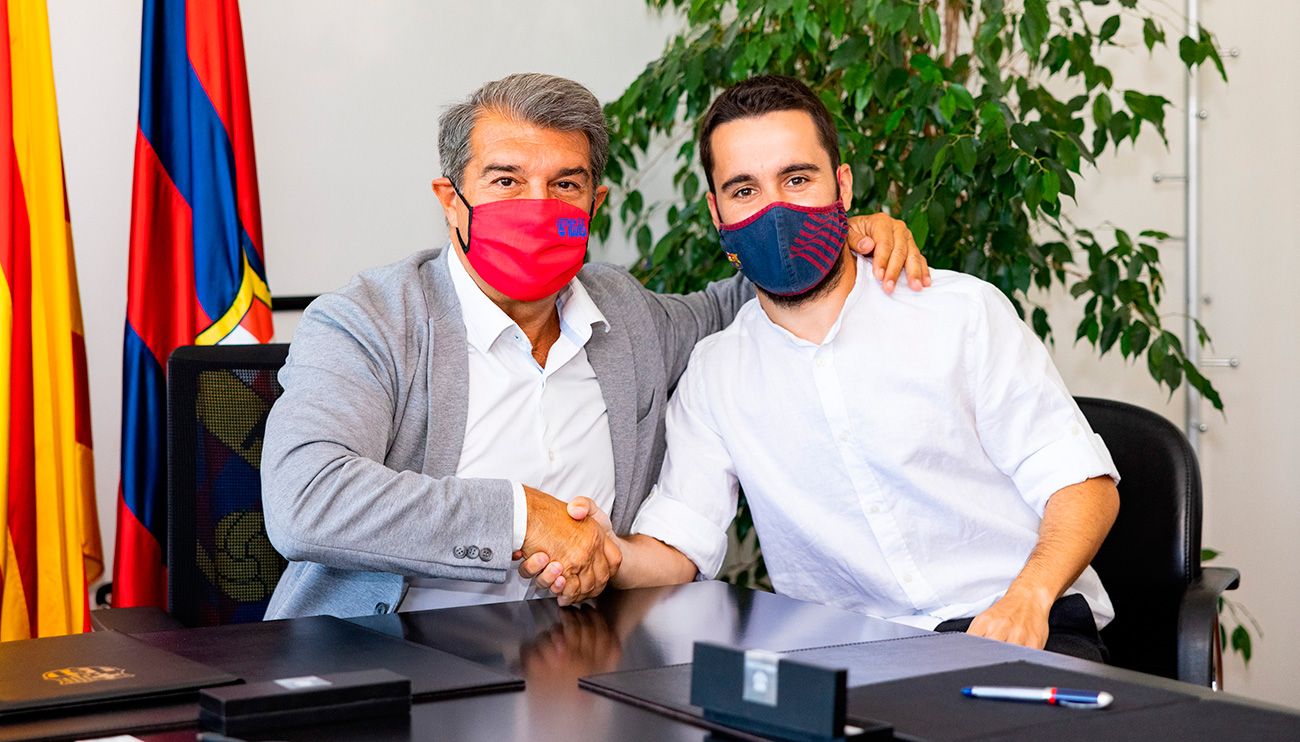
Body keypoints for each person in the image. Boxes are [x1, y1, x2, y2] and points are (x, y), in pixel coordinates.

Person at [260, 73, 928, 620]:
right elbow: (305, 500)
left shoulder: (625, 314)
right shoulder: (371, 319)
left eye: (565, 185)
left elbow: (747, 296)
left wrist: (840, 235)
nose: (537, 203)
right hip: (377, 666)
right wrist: (523, 518)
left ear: (595, 203)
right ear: (451, 200)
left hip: (577, 663)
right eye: (505, 181)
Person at [542, 75, 1120, 661]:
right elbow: (677, 547)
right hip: (851, 656)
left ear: (841, 187)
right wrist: (601, 552)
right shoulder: (716, 371)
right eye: (745, 190)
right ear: (716, 212)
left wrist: (1028, 598)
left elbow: (1083, 486)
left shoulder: (960, 313)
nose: (774, 210)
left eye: (797, 179)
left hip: (1022, 624)